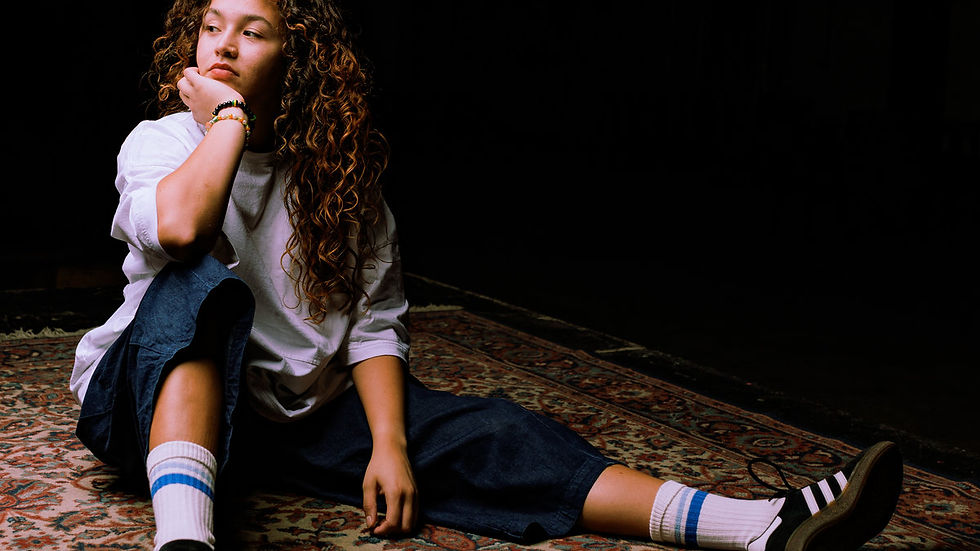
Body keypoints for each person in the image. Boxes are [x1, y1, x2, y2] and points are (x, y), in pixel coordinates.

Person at [70, 0, 904, 550]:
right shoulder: (162, 143)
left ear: (302, 58)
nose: (222, 43)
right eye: (213, 24)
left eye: (251, 31)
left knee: (491, 433)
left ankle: (754, 524)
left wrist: (392, 445)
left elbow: (371, 325)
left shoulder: (341, 182)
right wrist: (226, 119)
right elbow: (182, 229)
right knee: (202, 287)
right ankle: (185, 540)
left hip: (284, 421)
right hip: (143, 402)